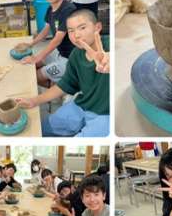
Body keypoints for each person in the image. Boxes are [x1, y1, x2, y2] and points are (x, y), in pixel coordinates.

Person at [17, 9, 109, 137]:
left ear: (97, 27)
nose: (76, 35)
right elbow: (64, 85)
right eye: (71, 31)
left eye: (82, 28)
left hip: (106, 115)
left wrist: (110, 60)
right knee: (43, 129)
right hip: (83, 104)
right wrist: (34, 101)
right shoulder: (76, 55)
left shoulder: (110, 46)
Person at [21, 0, 76, 86]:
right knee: (31, 65)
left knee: (35, 77)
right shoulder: (50, 9)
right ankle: (56, 82)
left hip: (70, 59)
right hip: (60, 52)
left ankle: (61, 87)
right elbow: (45, 31)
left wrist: (37, 57)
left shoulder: (68, 10)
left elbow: (57, 40)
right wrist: (31, 44)